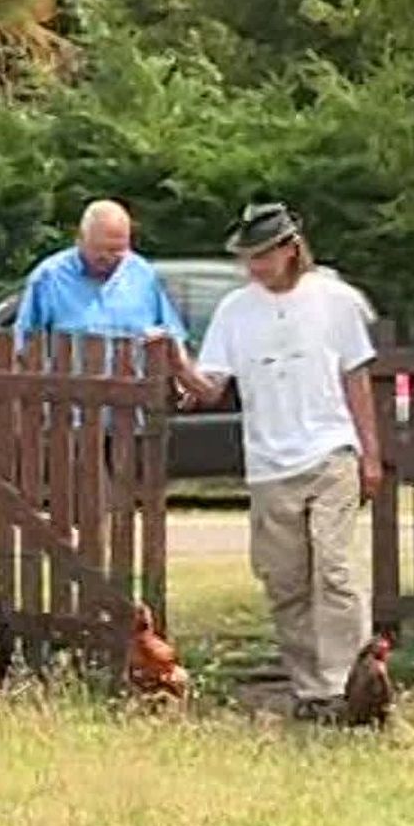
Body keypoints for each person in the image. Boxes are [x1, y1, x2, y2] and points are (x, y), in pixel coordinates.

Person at [171, 202, 382, 722]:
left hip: (330, 449)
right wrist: (176, 360)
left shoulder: (336, 301)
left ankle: (344, 685)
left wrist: (369, 455)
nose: (254, 267)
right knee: (285, 580)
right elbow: (210, 386)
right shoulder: (235, 311)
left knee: (334, 569)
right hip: (270, 462)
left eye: (263, 255)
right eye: (247, 257)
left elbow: (357, 380)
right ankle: (310, 689)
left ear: (290, 249)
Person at [13, 199, 188, 354]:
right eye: (98, 249)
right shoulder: (49, 277)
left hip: (134, 387)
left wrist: (162, 337)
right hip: (69, 387)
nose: (107, 257)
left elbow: (174, 336)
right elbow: (24, 344)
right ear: (80, 239)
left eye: (116, 250)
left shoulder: (143, 274)